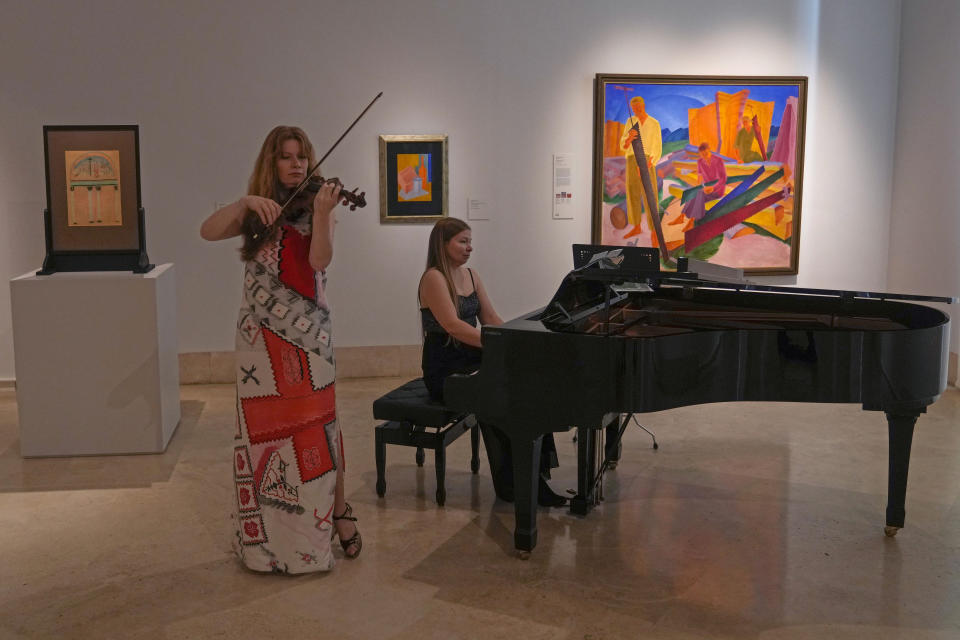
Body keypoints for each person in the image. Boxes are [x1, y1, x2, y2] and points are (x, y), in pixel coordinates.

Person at [200, 125, 360, 573]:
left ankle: (330, 522)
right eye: (286, 157)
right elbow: (206, 231)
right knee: (263, 438)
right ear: (271, 163)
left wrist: (325, 216)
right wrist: (244, 203)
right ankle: (265, 544)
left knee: (319, 429)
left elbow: (319, 262)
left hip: (309, 336)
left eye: (302, 157)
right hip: (257, 339)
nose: (296, 165)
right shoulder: (258, 211)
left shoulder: (318, 203)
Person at [418, 218, 567, 507]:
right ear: (443, 244)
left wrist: (513, 340)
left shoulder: (472, 275)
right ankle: (517, 482)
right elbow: (454, 326)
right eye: (462, 241)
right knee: (504, 398)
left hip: (472, 356)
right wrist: (497, 346)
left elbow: (491, 319)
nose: (469, 247)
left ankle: (533, 474)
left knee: (527, 387)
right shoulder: (434, 277)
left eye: (470, 241)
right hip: (446, 367)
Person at [618, 95, 662, 240]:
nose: (637, 110)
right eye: (634, 108)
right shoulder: (630, 122)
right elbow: (623, 146)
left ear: (643, 106)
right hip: (631, 160)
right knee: (633, 193)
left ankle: (654, 230)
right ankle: (636, 227)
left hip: (648, 160)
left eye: (639, 107)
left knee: (650, 194)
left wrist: (649, 162)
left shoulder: (654, 123)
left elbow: (657, 147)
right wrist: (629, 137)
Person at [682, 142, 728, 221]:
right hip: (706, 189)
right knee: (695, 193)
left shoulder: (718, 161)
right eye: (702, 155)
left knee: (699, 194)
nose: (704, 156)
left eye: (706, 153)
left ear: (709, 150)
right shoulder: (700, 162)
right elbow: (699, 176)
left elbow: (723, 179)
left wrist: (713, 187)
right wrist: (697, 187)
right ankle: (682, 216)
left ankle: (694, 220)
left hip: (717, 190)